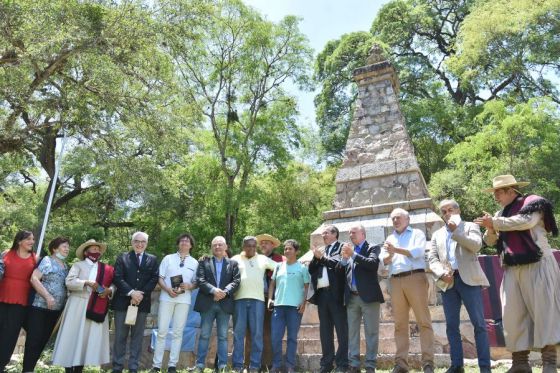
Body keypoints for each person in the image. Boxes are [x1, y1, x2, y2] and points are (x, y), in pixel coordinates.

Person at [475, 175, 560, 373]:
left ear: (511, 190)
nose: (495, 195)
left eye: (498, 191)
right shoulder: (500, 213)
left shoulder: (533, 202)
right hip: (512, 268)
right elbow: (490, 241)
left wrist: (495, 222)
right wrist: (490, 228)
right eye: (494, 191)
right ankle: (520, 363)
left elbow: (525, 222)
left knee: (544, 312)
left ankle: (549, 364)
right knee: (513, 315)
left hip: (538, 264)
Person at [428, 200, 491, 373]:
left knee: (479, 324)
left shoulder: (470, 226)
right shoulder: (437, 234)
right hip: (448, 282)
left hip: (469, 279)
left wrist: (455, 230)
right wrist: (441, 273)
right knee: (451, 326)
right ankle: (456, 365)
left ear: (458, 210)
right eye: (444, 211)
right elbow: (432, 259)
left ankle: (485, 367)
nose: (447, 213)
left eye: (451, 209)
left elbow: (476, 245)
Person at [380, 208, 435, 373]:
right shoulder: (390, 237)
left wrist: (394, 250)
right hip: (395, 281)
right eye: (393, 219)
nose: (395, 220)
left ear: (407, 219)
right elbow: (384, 261)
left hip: (415, 278)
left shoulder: (416, 233)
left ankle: (428, 364)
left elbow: (417, 253)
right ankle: (401, 364)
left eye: (398, 217)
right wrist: (389, 256)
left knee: (424, 321)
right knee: (400, 324)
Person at [52, 239, 115, 373]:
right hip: (77, 305)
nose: (97, 251)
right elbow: (69, 282)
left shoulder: (107, 269)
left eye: (98, 249)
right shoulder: (78, 265)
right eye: (94, 249)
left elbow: (114, 285)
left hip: (95, 306)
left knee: (85, 340)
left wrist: (109, 291)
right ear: (86, 252)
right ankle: (68, 369)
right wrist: (85, 282)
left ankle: (79, 369)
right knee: (71, 337)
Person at [338, 224, 384, 373]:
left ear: (363, 234)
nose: (351, 235)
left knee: (371, 332)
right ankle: (354, 365)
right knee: (352, 332)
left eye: (354, 233)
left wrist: (353, 255)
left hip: (369, 298)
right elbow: (341, 271)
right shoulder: (348, 251)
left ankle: (370, 365)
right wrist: (344, 260)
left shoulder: (373, 247)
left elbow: (372, 264)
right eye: (350, 233)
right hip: (352, 298)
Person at [112, 232, 159, 373]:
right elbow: (117, 277)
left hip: (142, 304)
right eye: (137, 241)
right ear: (132, 242)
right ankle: (117, 366)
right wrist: (132, 293)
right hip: (122, 303)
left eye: (143, 241)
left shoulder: (153, 259)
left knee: (137, 337)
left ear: (146, 243)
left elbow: (154, 278)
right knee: (120, 336)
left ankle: (133, 367)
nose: (139, 244)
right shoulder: (123, 257)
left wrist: (139, 295)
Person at [151, 233, 198, 373]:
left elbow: (196, 283)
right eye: (182, 240)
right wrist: (167, 289)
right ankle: (156, 365)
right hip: (166, 298)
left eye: (187, 241)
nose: (184, 242)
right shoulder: (168, 258)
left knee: (178, 332)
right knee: (162, 331)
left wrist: (190, 286)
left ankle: (172, 365)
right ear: (178, 243)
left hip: (184, 301)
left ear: (191, 245)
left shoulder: (195, 263)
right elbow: (160, 278)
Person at [23, 236, 70, 373]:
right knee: (34, 341)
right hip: (39, 308)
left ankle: (30, 369)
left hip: (55, 311)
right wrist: (47, 296)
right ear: (54, 249)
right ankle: (27, 370)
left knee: (43, 342)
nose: (67, 249)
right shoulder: (47, 260)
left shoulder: (65, 266)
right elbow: (34, 278)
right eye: (64, 246)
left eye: (68, 246)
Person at [231, 236, 278, 373]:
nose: (251, 248)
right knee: (238, 334)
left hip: (258, 301)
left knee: (257, 334)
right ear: (243, 246)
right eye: (248, 246)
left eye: (253, 246)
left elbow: (279, 267)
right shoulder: (235, 259)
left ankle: (254, 366)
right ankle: (237, 366)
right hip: (239, 300)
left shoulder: (263, 259)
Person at [194, 236, 240, 372]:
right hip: (207, 303)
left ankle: (222, 366)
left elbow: (236, 281)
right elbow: (200, 280)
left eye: (220, 245)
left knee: (223, 337)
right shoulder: (204, 262)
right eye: (215, 245)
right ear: (211, 247)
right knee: (204, 335)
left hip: (224, 305)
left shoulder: (233, 264)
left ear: (225, 247)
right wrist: (214, 290)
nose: (218, 247)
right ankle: (200, 365)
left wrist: (225, 292)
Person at [308, 225, 349, 373]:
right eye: (322, 233)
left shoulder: (342, 247)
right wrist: (315, 257)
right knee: (325, 331)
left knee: (341, 330)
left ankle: (342, 364)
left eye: (325, 233)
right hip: (322, 295)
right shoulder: (322, 250)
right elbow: (311, 269)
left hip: (336, 294)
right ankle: (326, 364)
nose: (323, 235)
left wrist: (321, 258)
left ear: (334, 234)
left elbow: (337, 265)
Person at [268, 239, 310, 373]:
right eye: (285, 249)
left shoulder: (302, 268)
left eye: (290, 249)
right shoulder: (279, 266)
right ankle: (276, 365)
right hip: (278, 307)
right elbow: (272, 284)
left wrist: (304, 303)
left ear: (296, 251)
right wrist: (270, 299)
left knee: (292, 337)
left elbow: (306, 286)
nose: (287, 251)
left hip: (294, 308)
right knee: (275, 337)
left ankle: (290, 366)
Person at [0, 230, 37, 372]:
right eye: (28, 239)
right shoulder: (5, 253)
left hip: (21, 302)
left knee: (10, 335)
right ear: (19, 241)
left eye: (33, 239)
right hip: (1, 296)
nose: (32, 242)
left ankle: (1, 365)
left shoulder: (35, 258)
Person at [255, 233, 285, 370]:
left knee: (269, 331)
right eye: (261, 243)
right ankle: (255, 362)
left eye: (266, 242)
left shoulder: (279, 259)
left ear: (273, 245)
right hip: (256, 297)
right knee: (256, 331)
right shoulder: (255, 258)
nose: (263, 245)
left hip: (272, 298)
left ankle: (268, 362)